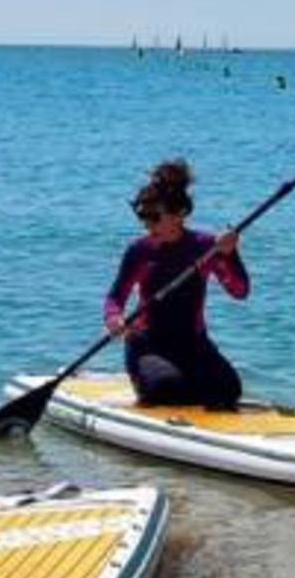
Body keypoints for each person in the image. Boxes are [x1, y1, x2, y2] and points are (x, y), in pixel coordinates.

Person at [105, 158, 250, 409]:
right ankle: (155, 383)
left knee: (229, 390)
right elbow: (115, 298)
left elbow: (240, 291)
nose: (147, 224)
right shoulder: (139, 251)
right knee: (166, 389)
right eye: (142, 216)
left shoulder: (206, 247)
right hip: (148, 345)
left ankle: (191, 384)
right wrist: (114, 319)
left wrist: (230, 254)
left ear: (179, 213)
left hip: (193, 344)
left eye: (154, 217)